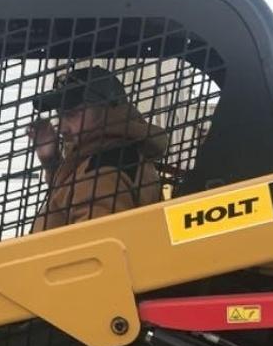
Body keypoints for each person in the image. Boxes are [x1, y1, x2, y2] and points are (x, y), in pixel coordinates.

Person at [26, 66, 168, 232]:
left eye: (72, 114)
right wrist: (52, 162)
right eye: (60, 115)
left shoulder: (103, 171)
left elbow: (94, 250)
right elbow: (69, 201)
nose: (62, 127)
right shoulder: (111, 155)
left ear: (105, 111)